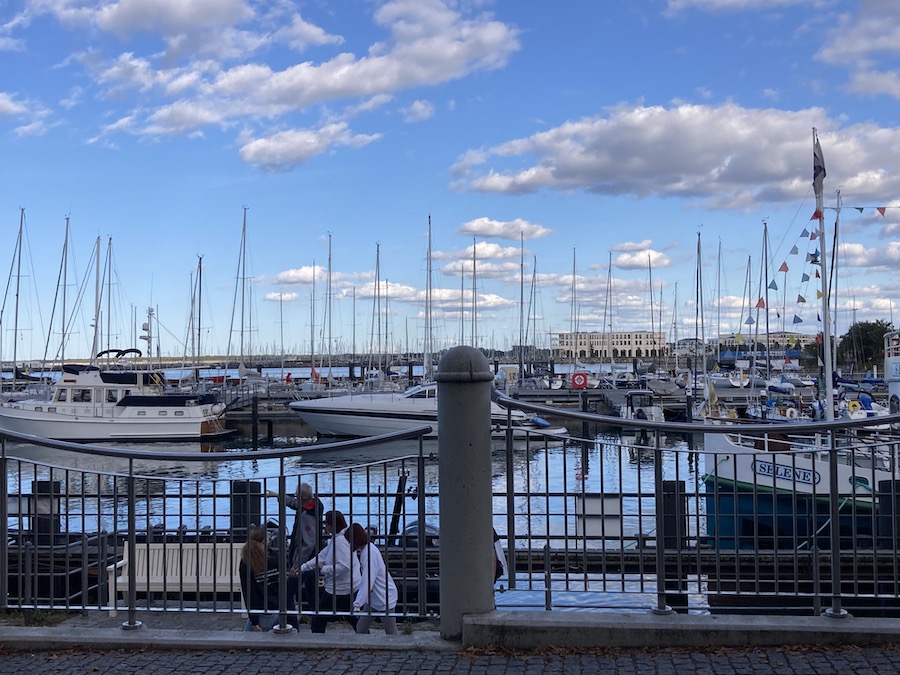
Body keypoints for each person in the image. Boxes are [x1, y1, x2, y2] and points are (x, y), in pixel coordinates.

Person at [299, 510, 360, 633]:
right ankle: (364, 635)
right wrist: (303, 567)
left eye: (326, 523)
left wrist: (324, 569)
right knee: (352, 617)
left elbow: (345, 566)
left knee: (319, 618)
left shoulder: (339, 542)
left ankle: (317, 641)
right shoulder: (340, 539)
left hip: (339, 588)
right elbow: (322, 555)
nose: (325, 526)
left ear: (331, 525)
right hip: (349, 586)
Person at [269, 482, 323, 609]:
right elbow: (294, 503)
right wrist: (278, 495)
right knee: (312, 592)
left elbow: (309, 543)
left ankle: (292, 622)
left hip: (305, 562)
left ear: (301, 498)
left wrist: (297, 565)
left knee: (287, 593)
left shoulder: (306, 516)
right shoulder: (314, 505)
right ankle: (317, 622)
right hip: (314, 559)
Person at [238, 526, 297, 632]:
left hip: (263, 610)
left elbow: (250, 593)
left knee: (248, 637)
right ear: (266, 541)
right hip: (282, 608)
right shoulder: (275, 558)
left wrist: (254, 620)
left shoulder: (246, 562)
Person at [346, 523, 398, 635]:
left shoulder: (368, 554)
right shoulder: (369, 550)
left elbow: (367, 582)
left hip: (383, 597)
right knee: (361, 627)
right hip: (377, 596)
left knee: (391, 632)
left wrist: (357, 604)